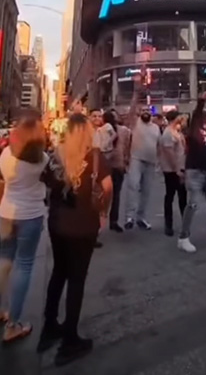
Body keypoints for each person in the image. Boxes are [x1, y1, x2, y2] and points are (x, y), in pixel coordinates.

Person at [40, 113, 111, 366]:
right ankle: (70, 340)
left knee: (59, 273)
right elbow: (107, 187)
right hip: (82, 226)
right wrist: (103, 213)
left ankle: (49, 325)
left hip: (57, 224)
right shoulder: (94, 157)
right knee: (77, 280)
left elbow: (45, 184)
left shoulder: (55, 156)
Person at [0, 110, 50, 343]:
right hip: (31, 216)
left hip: (5, 213)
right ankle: (13, 325)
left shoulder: (5, 155)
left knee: (3, 261)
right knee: (24, 266)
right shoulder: (42, 160)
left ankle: (2, 309)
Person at [178, 91, 206, 253]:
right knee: (193, 204)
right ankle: (184, 237)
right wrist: (201, 101)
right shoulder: (193, 132)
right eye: (205, 116)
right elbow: (196, 115)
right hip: (195, 171)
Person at [124, 108, 159, 231]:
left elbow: (158, 144)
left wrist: (159, 161)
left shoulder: (156, 127)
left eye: (148, 110)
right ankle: (130, 217)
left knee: (146, 190)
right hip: (136, 159)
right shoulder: (135, 123)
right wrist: (136, 97)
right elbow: (131, 111)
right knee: (133, 186)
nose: (145, 112)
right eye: (143, 110)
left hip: (151, 161)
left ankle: (141, 217)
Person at [157, 111, 187, 237]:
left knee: (182, 196)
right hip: (172, 170)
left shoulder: (177, 132)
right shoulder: (168, 133)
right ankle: (168, 225)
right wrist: (176, 169)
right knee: (170, 196)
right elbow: (169, 153)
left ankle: (185, 222)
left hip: (180, 168)